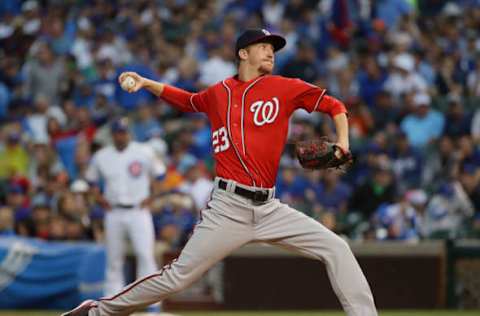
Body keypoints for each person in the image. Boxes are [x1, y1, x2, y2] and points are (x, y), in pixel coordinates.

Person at [63, 29, 377, 316]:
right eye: (263, 47)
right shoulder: (219, 93)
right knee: (176, 277)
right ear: (243, 53)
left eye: (273, 49)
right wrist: (147, 83)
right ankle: (97, 312)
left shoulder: (285, 88)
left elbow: (335, 105)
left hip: (269, 208)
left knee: (336, 247)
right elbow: (187, 101)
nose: (271, 53)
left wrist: (343, 142)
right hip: (228, 208)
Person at [78, 117, 166, 313]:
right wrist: (99, 198)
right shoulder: (102, 156)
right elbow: (91, 181)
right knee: (114, 259)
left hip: (139, 211)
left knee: (145, 256)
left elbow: (160, 175)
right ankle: (112, 305)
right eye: (117, 132)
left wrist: (152, 197)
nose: (121, 135)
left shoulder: (143, 151)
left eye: (124, 132)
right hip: (114, 212)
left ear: (129, 133)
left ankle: (152, 305)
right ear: (112, 135)